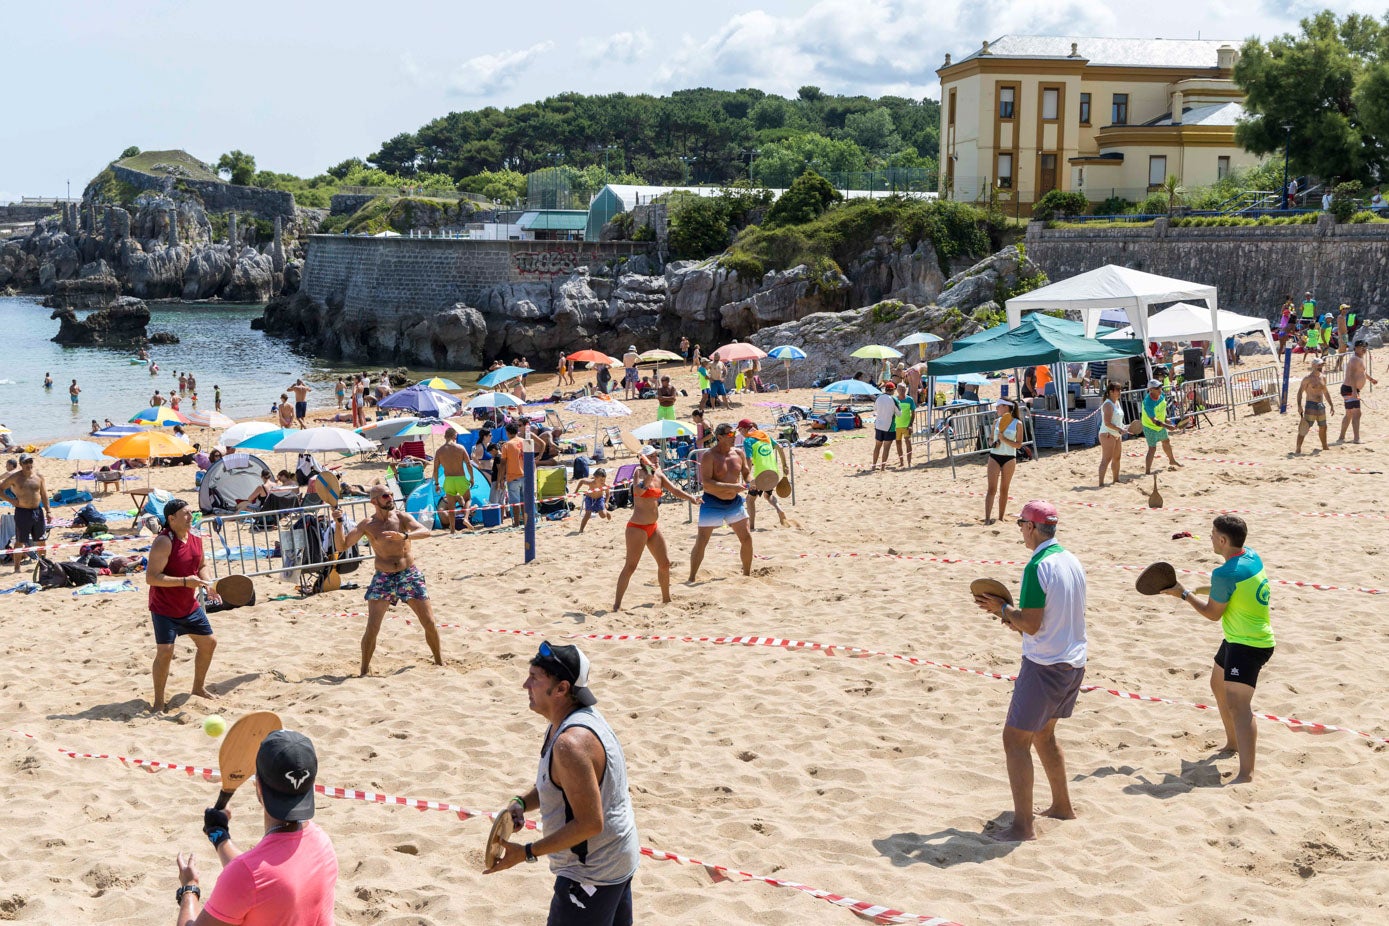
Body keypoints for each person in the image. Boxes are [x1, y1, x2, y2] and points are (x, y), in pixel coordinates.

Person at [486, 642, 640, 925]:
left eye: (535, 677)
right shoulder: (569, 721)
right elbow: (558, 785)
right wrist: (520, 802)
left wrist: (527, 852)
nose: (525, 684)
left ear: (561, 689)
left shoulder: (571, 743)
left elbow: (590, 823)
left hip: (591, 874)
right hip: (616, 861)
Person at [972, 500, 1086, 841]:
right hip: (1073, 661)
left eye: (1021, 523)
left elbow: (1033, 624)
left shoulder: (1037, 565)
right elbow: (1053, 618)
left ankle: (1023, 827)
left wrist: (1003, 609)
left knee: (1014, 740)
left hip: (1046, 666)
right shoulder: (1071, 560)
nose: (1020, 528)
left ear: (1032, 527)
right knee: (1044, 735)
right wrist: (1013, 619)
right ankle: (1063, 807)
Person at [174, 730, 338, 926]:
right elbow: (261, 880)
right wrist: (219, 835)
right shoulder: (323, 844)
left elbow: (251, 879)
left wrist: (189, 890)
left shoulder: (245, 876)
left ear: (258, 786)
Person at [1160, 515, 1274, 784]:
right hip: (1237, 638)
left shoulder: (1224, 573)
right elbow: (1236, 590)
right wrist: (1205, 589)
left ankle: (1246, 774)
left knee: (1240, 706)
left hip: (1249, 644)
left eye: (1212, 534)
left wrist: (1184, 594)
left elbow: (1212, 613)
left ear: (1223, 540)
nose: (1209, 537)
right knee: (1217, 684)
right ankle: (1232, 744)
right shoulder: (1252, 557)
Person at [333, 484, 443, 676]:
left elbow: (426, 531)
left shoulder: (401, 517)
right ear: (374, 501)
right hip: (383, 577)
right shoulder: (368, 524)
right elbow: (342, 545)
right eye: (385, 496)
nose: (390, 497)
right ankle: (364, 671)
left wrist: (405, 535)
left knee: (429, 622)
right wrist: (339, 523)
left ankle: (439, 663)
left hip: (408, 574)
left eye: (391, 494)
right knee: (373, 627)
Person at [146, 499, 220, 713]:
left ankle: (198, 688)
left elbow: (202, 565)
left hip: (188, 605)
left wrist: (207, 584)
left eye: (191, 513)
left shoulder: (195, 538)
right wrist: (186, 582)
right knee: (166, 652)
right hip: (164, 608)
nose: (190, 517)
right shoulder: (164, 541)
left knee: (209, 644)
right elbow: (151, 578)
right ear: (171, 519)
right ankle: (159, 702)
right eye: (185, 514)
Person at [613, 446, 698, 609]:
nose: (656, 459)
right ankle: (617, 605)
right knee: (630, 567)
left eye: (656, 456)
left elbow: (674, 489)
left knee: (665, 563)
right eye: (652, 457)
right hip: (637, 527)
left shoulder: (659, 473)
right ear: (643, 459)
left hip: (652, 526)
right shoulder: (639, 472)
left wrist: (691, 498)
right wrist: (649, 474)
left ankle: (666, 600)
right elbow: (638, 490)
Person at [689, 423, 753, 582]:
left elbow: (746, 473)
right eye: (730, 435)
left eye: (734, 434)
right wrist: (733, 486)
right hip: (712, 502)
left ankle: (747, 575)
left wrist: (751, 482)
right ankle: (691, 577)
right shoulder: (709, 456)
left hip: (734, 502)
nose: (734, 437)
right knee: (702, 541)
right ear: (719, 437)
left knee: (747, 538)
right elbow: (707, 483)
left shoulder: (738, 453)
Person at [0, 455, 50, 574]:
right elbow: (0, 489)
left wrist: (48, 511)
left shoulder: (39, 476)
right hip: (22, 511)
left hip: (38, 511)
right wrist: (11, 500)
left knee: (41, 540)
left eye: (30, 461)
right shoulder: (15, 477)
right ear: (21, 464)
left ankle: (42, 564)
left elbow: (44, 494)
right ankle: (17, 568)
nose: (28, 464)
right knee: (20, 541)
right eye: (25, 462)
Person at [433, 427, 478, 533]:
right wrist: (472, 478)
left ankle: (452, 529)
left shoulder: (439, 451)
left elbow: (435, 469)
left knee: (451, 506)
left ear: (445, 437)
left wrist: (436, 483)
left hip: (448, 479)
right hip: (460, 478)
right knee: (467, 499)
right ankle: (466, 518)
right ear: (455, 436)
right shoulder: (460, 448)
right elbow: (469, 465)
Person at [984, 399, 1022, 524]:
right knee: (991, 489)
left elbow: (1018, 445)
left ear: (1006, 407)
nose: (996, 409)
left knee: (1004, 489)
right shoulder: (996, 421)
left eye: (998, 407)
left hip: (1009, 458)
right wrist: (993, 443)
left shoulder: (1018, 424)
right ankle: (987, 518)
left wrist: (1004, 439)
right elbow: (990, 439)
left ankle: (1001, 517)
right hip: (994, 456)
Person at [1338, 341, 1378, 444]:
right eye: (1361, 347)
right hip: (1350, 389)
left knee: (1349, 414)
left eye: (1365, 347)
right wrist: (1354, 391)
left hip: (1350, 389)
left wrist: (1371, 379)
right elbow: (1351, 375)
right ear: (1355, 348)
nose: (1364, 349)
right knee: (1356, 413)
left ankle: (1341, 437)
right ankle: (1356, 439)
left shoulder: (1359, 358)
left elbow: (1362, 372)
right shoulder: (1354, 359)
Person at [1294, 358, 1336, 454]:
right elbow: (1300, 392)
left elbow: (1325, 392)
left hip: (1320, 405)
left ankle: (1325, 446)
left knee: (1323, 426)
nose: (1321, 367)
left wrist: (1331, 405)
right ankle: (1298, 448)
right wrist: (1299, 406)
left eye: (1322, 365)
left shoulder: (1323, 377)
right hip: (1310, 405)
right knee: (1305, 427)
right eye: (1319, 365)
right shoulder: (1307, 379)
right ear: (1313, 366)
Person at [1141, 379, 1182, 473]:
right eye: (1157, 388)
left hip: (1160, 424)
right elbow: (1154, 420)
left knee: (1166, 441)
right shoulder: (1148, 402)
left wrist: (1168, 421)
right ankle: (1147, 471)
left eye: (1160, 386)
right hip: (1149, 426)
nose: (1160, 389)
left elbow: (1162, 411)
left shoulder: (1162, 395)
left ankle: (1172, 460)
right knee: (1152, 448)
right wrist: (1168, 426)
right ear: (1151, 390)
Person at [1097, 381, 1125, 487]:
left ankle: (1116, 480)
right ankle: (1101, 483)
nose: (1120, 392)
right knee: (1106, 459)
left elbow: (1118, 420)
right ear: (1111, 392)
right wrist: (1119, 429)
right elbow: (1107, 423)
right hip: (1107, 434)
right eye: (1117, 390)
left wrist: (1123, 427)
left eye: (1120, 390)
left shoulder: (1117, 402)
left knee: (1117, 458)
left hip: (1116, 433)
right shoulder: (1108, 404)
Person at [871, 382, 898, 471]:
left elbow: (874, 409)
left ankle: (874, 466)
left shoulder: (878, 397)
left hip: (879, 425)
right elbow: (899, 413)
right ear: (893, 390)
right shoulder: (894, 399)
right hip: (889, 426)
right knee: (886, 447)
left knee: (877, 446)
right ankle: (882, 467)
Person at [576, 468, 611, 533]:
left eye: (604, 479)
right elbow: (581, 481)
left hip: (599, 499)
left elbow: (608, 494)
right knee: (587, 515)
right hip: (589, 498)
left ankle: (606, 512)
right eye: (601, 479)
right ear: (595, 478)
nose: (603, 481)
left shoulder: (604, 485)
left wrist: (606, 502)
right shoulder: (591, 482)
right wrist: (576, 491)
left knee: (603, 516)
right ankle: (581, 529)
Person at [893, 382, 917, 468]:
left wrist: (911, 424)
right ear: (897, 390)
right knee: (898, 444)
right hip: (896, 426)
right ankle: (901, 462)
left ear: (906, 389)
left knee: (908, 443)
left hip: (906, 425)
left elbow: (913, 412)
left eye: (903, 389)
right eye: (900, 389)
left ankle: (909, 462)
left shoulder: (910, 399)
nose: (902, 391)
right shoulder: (894, 399)